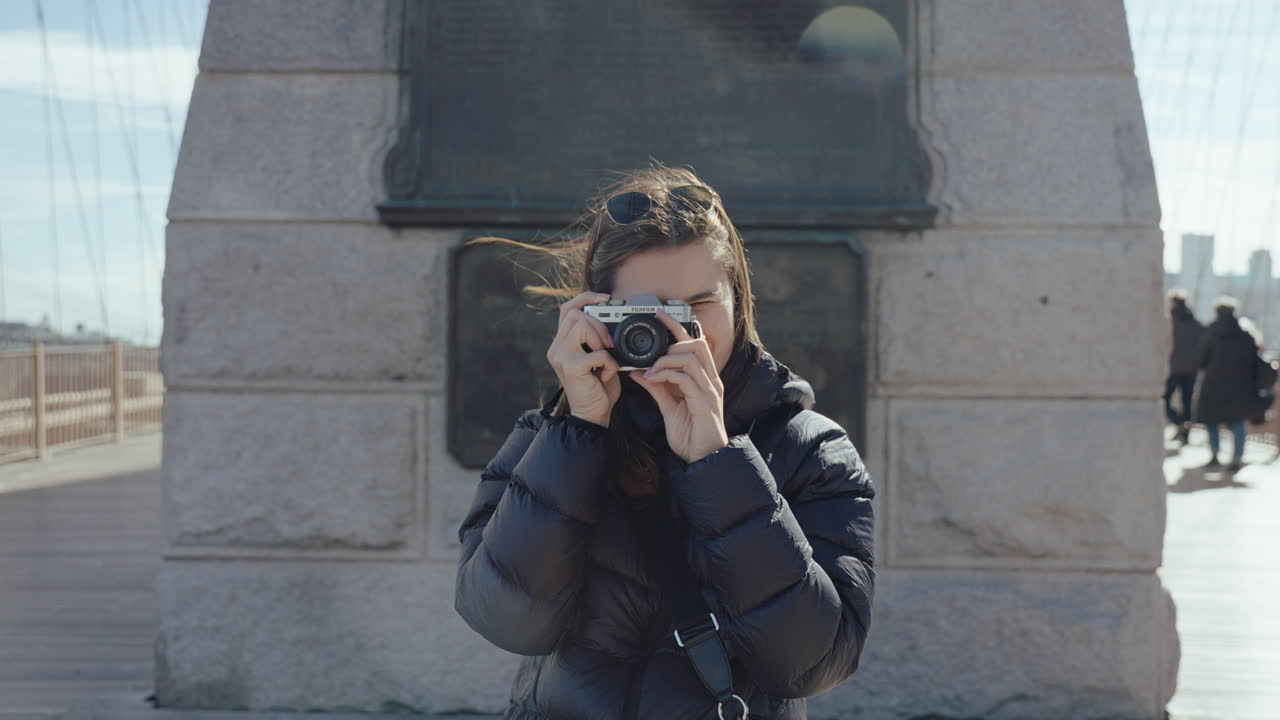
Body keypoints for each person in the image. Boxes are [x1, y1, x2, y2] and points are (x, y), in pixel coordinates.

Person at [453, 164, 875, 720]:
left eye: (700, 305)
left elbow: (814, 663)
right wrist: (579, 429)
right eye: (651, 309)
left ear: (739, 301)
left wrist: (720, 463)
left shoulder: (811, 450)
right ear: (600, 314)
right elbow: (506, 619)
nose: (679, 330)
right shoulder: (549, 438)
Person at [1192, 297, 1256, 472]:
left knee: (1212, 420)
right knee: (1237, 421)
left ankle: (1214, 453)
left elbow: (1200, 360)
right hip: (1239, 385)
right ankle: (1237, 457)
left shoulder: (1210, 332)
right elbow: (1254, 359)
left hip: (1214, 383)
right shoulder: (1245, 333)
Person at [1164, 290, 1204, 446]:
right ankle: (1185, 431)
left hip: (1172, 368)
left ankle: (1179, 422)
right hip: (1191, 369)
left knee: (1164, 398)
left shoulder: (1168, 321)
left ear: (1173, 302)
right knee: (1187, 401)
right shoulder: (1195, 322)